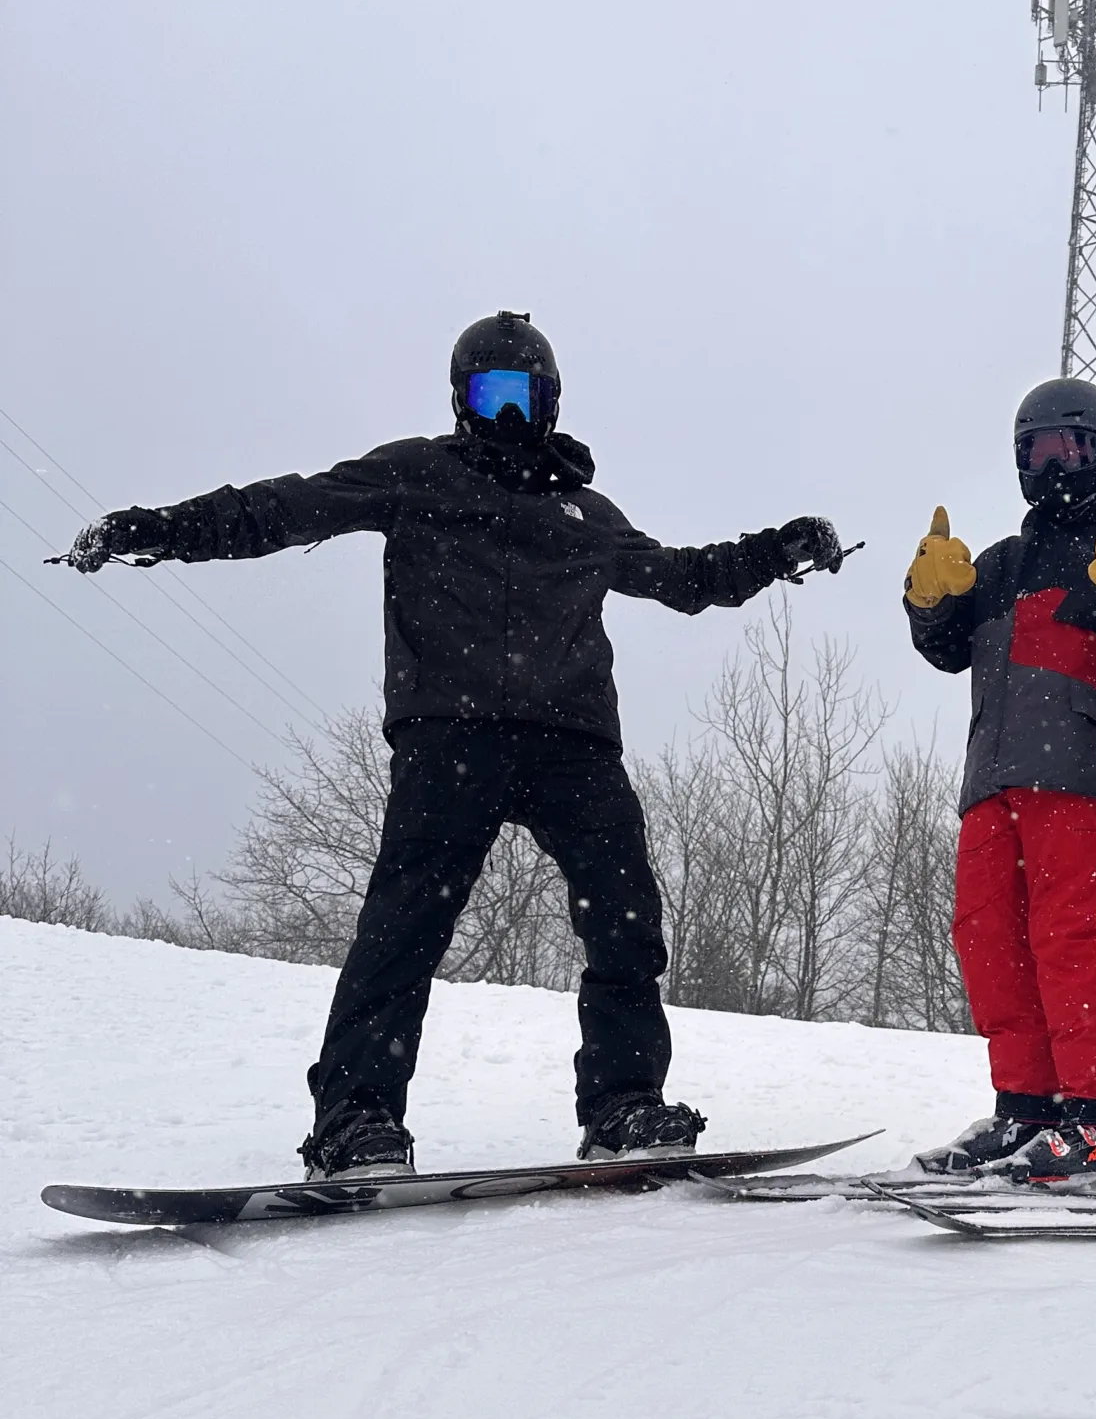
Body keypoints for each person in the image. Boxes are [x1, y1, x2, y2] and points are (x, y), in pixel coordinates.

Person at [63, 311, 843, 1176]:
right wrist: (154, 528)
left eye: (523, 396)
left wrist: (777, 551)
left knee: (626, 924)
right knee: (406, 924)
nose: (507, 416)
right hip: (451, 733)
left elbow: (686, 579)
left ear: (548, 404)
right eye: (489, 394)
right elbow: (280, 507)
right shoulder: (418, 474)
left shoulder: (584, 512)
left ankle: (623, 1105)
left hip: (573, 743)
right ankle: (356, 1118)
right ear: (461, 401)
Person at [904, 376, 1096, 1186]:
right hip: (992, 778)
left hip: (1075, 769)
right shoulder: (999, 564)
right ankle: (1029, 1107)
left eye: (1077, 447)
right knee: (986, 938)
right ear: (1020, 461)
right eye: (1042, 450)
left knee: (1067, 938)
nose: (1059, 465)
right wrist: (929, 600)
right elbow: (946, 646)